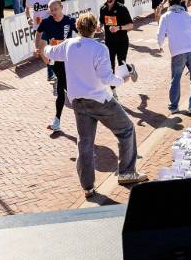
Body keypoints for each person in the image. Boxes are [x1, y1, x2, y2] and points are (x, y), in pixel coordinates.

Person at [46, 13, 145, 198]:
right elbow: (107, 78)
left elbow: (49, 52)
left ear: (78, 27)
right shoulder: (100, 49)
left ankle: (88, 187)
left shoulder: (68, 45)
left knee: (85, 143)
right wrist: (123, 79)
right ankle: (126, 172)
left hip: (78, 101)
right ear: (95, 28)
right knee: (126, 129)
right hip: (100, 100)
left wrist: (44, 47)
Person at [156, 0, 191, 115]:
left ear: (169, 3)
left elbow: (160, 34)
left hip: (177, 51)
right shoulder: (188, 15)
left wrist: (160, 45)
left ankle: (174, 106)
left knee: (176, 79)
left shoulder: (165, 16)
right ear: (181, 2)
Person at [35, 0, 76, 132]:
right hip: (55, 61)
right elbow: (38, 33)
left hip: (69, 60)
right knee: (63, 88)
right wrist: (37, 48)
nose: (53, 12)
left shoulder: (70, 21)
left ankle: (58, 120)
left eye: (55, 9)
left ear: (61, 7)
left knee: (63, 89)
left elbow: (83, 32)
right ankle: (59, 120)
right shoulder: (47, 22)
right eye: (51, 10)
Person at [99, 0, 138, 90]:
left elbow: (131, 25)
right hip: (109, 42)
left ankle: (130, 69)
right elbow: (101, 22)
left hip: (121, 41)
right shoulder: (103, 8)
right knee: (110, 67)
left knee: (121, 66)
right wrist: (99, 27)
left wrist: (118, 28)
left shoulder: (122, 8)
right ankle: (113, 92)